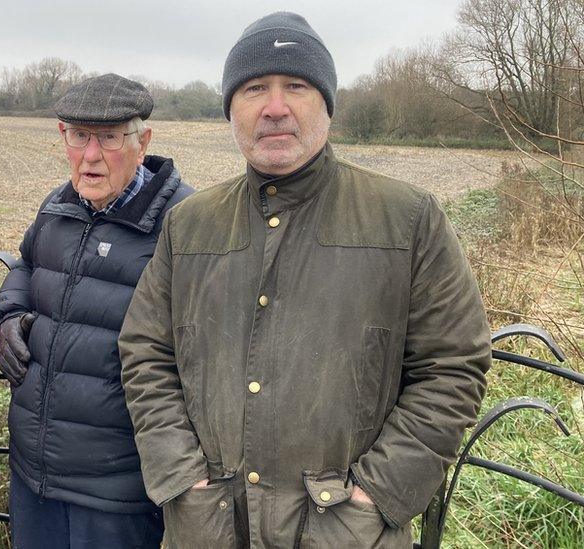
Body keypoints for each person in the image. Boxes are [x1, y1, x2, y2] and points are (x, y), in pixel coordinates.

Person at [119, 12, 491, 549]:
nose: (275, 107)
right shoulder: (190, 224)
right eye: (253, 89)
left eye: (295, 85)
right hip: (210, 528)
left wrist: (374, 496)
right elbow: (145, 351)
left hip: (349, 534)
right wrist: (184, 478)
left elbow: (452, 367)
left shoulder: (407, 219)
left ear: (327, 106)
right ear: (232, 110)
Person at [0, 73, 193, 548]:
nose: (90, 154)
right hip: (33, 473)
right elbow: (27, 262)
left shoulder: (182, 223)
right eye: (79, 136)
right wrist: (7, 316)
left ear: (142, 143)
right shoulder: (57, 205)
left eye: (108, 138)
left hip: (117, 490)